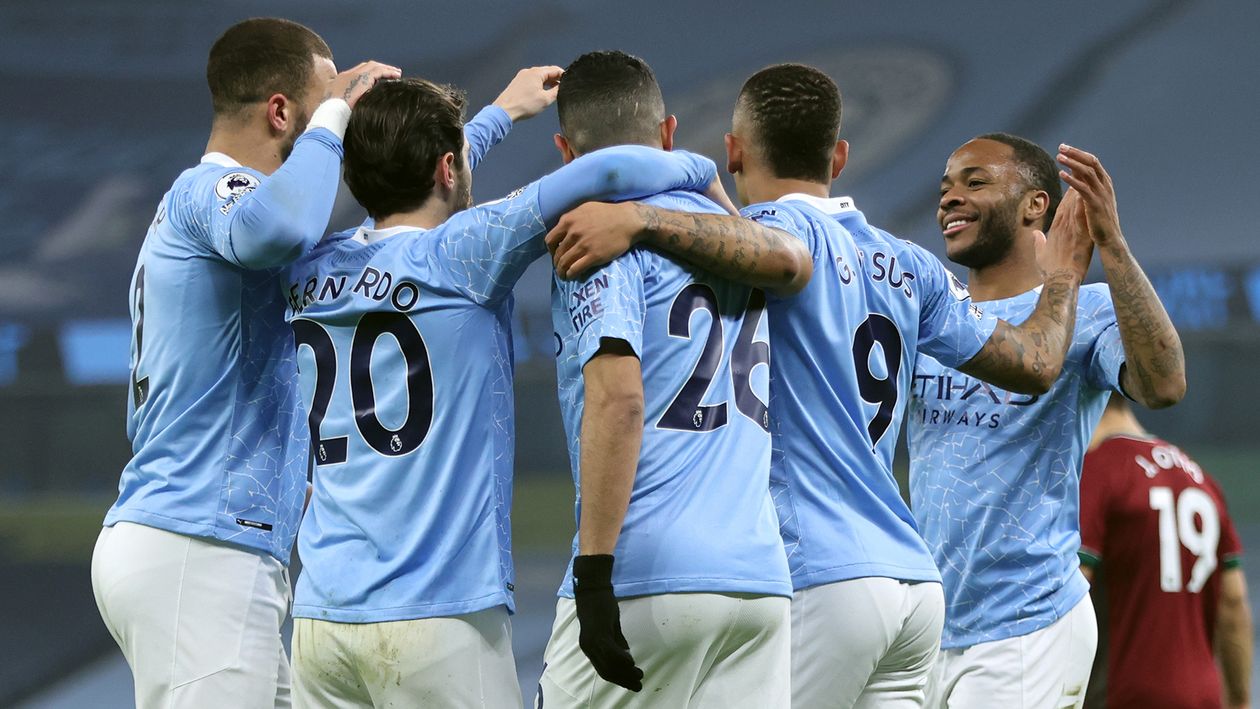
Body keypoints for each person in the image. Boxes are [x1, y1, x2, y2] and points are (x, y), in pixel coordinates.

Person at [545, 62, 1096, 708]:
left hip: (816, 571)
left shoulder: (757, 237)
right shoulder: (909, 264)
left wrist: (638, 218)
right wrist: (1062, 278)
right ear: (838, 155)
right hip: (912, 582)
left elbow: (779, 259)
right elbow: (1035, 362)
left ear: (733, 150)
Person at [282, 72, 722, 707]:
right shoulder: (463, 252)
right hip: (438, 614)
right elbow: (608, 171)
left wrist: (496, 115)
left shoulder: (308, 268)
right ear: (446, 166)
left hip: (322, 617)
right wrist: (702, 169)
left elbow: (431, 180)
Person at [89, 17, 400, 708]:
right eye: (324, 105)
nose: (336, 125)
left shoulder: (209, 209)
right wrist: (339, 114)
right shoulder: (216, 192)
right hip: (199, 547)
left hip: (196, 543)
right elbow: (281, 227)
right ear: (282, 112)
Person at [535, 51, 811, 708]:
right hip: (757, 582)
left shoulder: (598, 234)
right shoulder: (735, 234)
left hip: (648, 573)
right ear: (667, 133)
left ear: (563, 149)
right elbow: (788, 264)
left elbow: (619, 400)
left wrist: (594, 573)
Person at [905, 135, 1186, 708]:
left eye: (974, 182)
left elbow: (1164, 386)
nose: (950, 199)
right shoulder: (933, 316)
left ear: (1036, 204)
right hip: (928, 626)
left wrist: (1111, 243)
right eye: (944, 189)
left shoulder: (1086, 308)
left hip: (1025, 622)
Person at [1079, 394, 1251, 709]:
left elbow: (1071, 589)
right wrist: (1239, 701)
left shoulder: (1095, 472)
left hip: (1124, 697)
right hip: (1203, 698)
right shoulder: (1199, 478)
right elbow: (1233, 599)